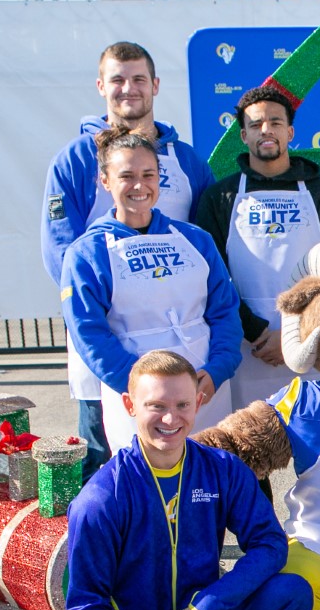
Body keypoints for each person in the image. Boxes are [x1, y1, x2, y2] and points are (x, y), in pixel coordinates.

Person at [66, 349, 314, 610]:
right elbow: (86, 604)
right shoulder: (100, 498)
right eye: (156, 406)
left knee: (291, 592)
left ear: (198, 402)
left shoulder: (222, 468)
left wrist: (213, 603)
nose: (170, 418)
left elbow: (270, 545)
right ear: (129, 406)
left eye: (182, 404)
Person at [42, 41, 216, 484]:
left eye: (138, 79)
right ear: (101, 86)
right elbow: (62, 251)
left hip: (182, 338)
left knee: (191, 450)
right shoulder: (76, 159)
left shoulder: (187, 158)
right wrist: (100, 317)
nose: (128, 89)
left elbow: (206, 242)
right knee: (104, 450)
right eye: (117, 79)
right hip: (111, 336)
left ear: (155, 85)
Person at [61, 126, 241, 455]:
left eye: (149, 174)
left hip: (206, 394)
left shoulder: (196, 240)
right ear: (105, 181)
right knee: (147, 495)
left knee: (211, 490)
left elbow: (224, 311)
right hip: (140, 402)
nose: (139, 186)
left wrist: (218, 369)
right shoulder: (86, 253)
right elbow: (90, 335)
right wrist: (140, 387)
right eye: (126, 176)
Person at [195, 85, 320, 411]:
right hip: (245, 346)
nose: (266, 130)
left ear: (290, 132)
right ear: (243, 136)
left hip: (313, 344)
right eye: (256, 124)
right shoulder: (219, 198)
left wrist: (297, 336)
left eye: (275, 123)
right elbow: (212, 276)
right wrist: (257, 331)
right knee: (248, 449)